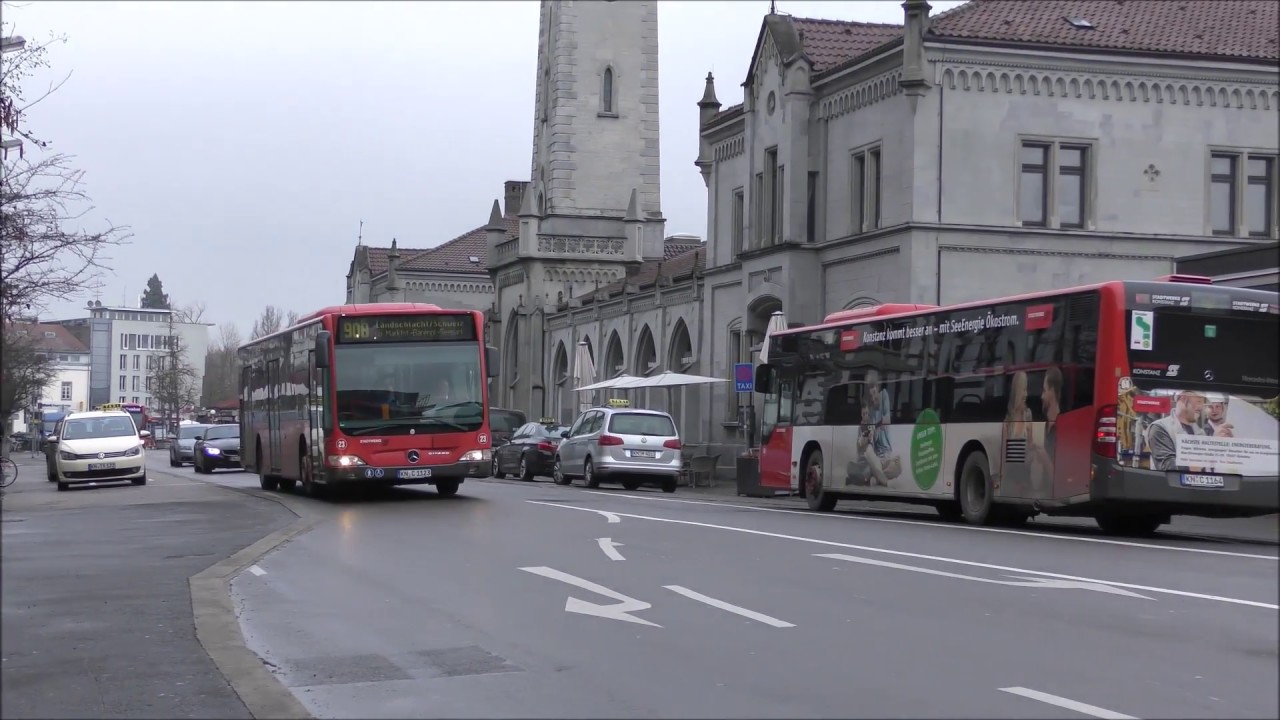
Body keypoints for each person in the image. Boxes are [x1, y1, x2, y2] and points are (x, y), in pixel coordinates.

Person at [1146, 390, 1209, 472]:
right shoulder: (1160, 428)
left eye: (1202, 402)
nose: (1201, 407)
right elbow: (1167, 467)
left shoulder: (1201, 433)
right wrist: (1191, 467)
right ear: (1183, 398)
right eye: (1198, 401)